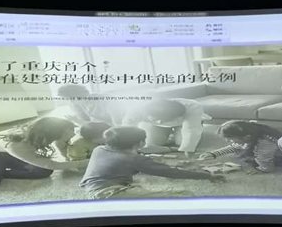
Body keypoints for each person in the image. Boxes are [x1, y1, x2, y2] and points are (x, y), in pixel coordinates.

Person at [80, 126, 225, 199]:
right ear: (140, 143)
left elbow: (140, 157)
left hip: (91, 188)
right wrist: (206, 175)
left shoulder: (99, 149)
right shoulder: (133, 158)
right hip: (108, 194)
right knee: (184, 195)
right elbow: (170, 173)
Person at [123, 98, 211, 154]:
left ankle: (178, 134)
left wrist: (187, 149)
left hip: (183, 123)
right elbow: (127, 130)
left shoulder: (193, 107)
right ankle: (169, 136)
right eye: (156, 119)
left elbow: (191, 129)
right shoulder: (136, 109)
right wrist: (129, 146)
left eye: (163, 119)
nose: (160, 121)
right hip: (154, 125)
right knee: (152, 144)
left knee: (181, 143)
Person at [199, 120, 282, 173]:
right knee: (242, 151)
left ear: (246, 137)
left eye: (230, 139)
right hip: (266, 153)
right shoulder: (250, 135)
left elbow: (266, 163)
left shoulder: (264, 143)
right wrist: (214, 153)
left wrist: (261, 169)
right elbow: (234, 146)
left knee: (251, 159)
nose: (228, 141)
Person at [56, 84, 124, 126]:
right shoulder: (78, 104)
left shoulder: (106, 100)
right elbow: (88, 122)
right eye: (68, 100)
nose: (71, 102)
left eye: (71, 99)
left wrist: (77, 121)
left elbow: (118, 124)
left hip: (115, 128)